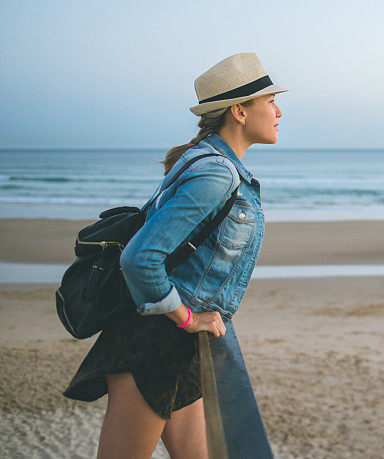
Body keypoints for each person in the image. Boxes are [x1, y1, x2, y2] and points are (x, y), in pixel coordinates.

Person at [62, 52, 287, 458]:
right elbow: (140, 257)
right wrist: (188, 318)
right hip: (153, 343)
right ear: (239, 111)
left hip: (177, 346)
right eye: (269, 102)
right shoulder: (216, 173)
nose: (279, 111)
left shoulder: (207, 161)